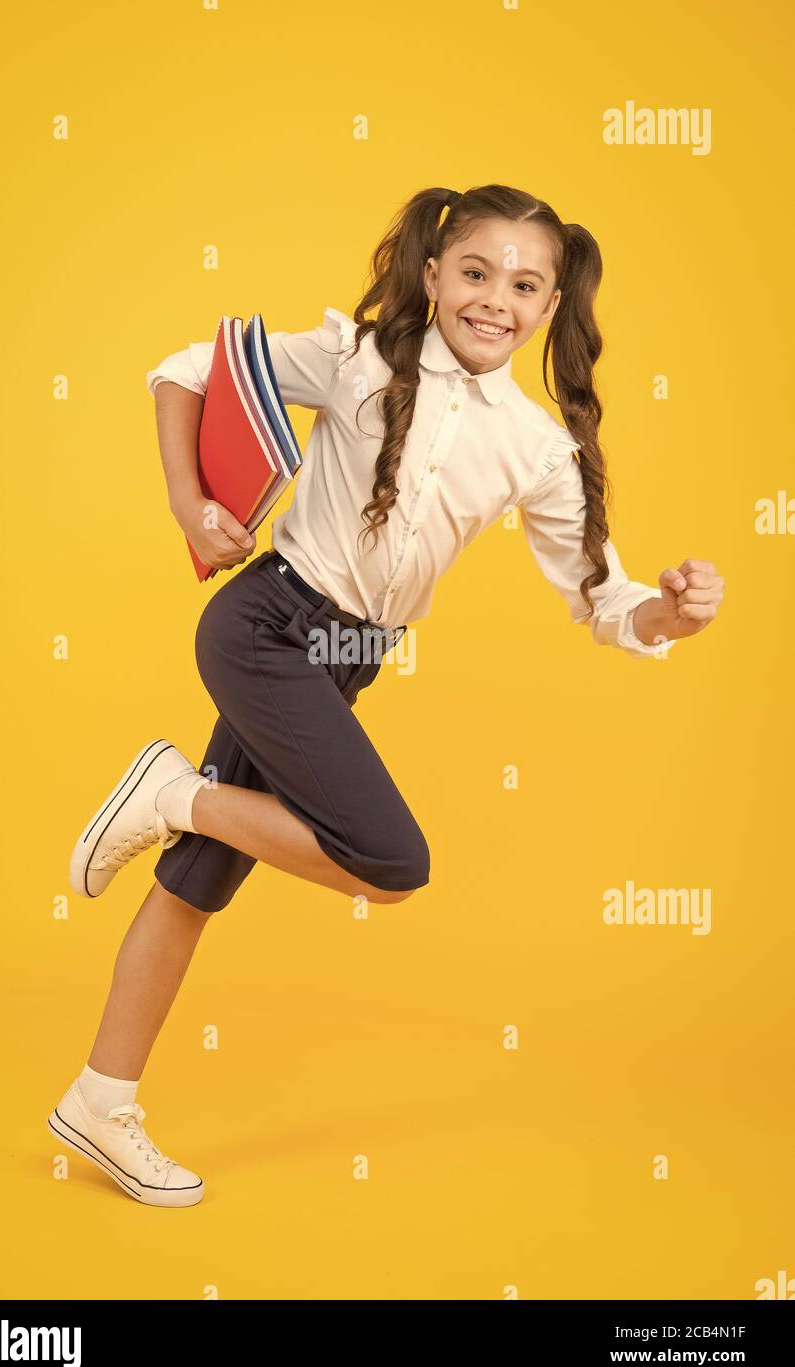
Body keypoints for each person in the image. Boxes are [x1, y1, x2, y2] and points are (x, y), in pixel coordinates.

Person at [48, 184, 725, 1207]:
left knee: (197, 879)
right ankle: (168, 794)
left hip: (345, 656)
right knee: (392, 862)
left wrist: (669, 613)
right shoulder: (360, 358)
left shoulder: (539, 447)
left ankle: (101, 1097)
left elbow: (601, 601)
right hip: (267, 625)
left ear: (549, 307)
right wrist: (192, 508)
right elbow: (183, 370)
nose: (495, 297)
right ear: (432, 275)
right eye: (475, 271)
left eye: (523, 283)